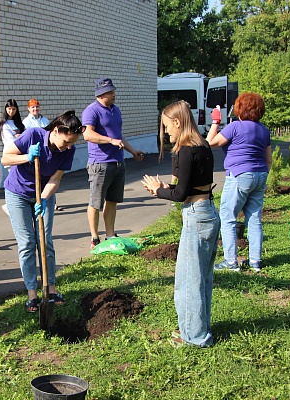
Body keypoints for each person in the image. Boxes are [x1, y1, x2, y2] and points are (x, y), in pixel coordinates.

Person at [141, 100, 219, 348]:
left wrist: (158, 190)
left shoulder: (185, 150)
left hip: (196, 216)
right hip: (208, 211)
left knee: (188, 280)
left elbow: (181, 195)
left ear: (177, 122)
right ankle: (200, 328)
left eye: (166, 126)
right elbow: (191, 186)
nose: (166, 132)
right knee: (202, 278)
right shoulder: (203, 145)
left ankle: (194, 337)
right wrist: (167, 187)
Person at [1, 110, 85, 313]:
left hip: (44, 193)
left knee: (45, 240)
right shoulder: (33, 135)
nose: (68, 146)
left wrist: (44, 199)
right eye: (66, 141)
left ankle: (51, 288)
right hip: (18, 193)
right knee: (27, 243)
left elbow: (55, 179)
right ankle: (32, 293)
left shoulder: (69, 150)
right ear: (56, 130)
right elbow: (5, 159)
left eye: (72, 143)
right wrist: (27, 157)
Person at [206, 93, 272, 273]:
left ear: (239, 109)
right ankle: (255, 262)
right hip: (260, 175)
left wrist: (215, 122)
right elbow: (269, 160)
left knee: (228, 218)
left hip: (239, 175)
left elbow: (209, 143)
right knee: (255, 218)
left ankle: (230, 262)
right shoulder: (264, 130)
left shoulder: (235, 127)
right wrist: (263, 176)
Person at [82, 77, 145, 249]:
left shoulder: (115, 110)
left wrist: (132, 150)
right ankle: (94, 238)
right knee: (96, 202)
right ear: (100, 94)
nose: (113, 94)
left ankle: (110, 234)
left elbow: (118, 136)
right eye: (110, 92)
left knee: (112, 200)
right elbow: (88, 135)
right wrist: (110, 140)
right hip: (100, 163)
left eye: (113, 91)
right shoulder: (91, 111)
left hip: (118, 161)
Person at [23, 98, 65, 212]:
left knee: (50, 178)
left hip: (47, 152)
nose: (35, 109)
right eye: (33, 107)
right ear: (28, 109)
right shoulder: (26, 122)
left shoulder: (44, 120)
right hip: (35, 153)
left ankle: (51, 203)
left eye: (37, 106)